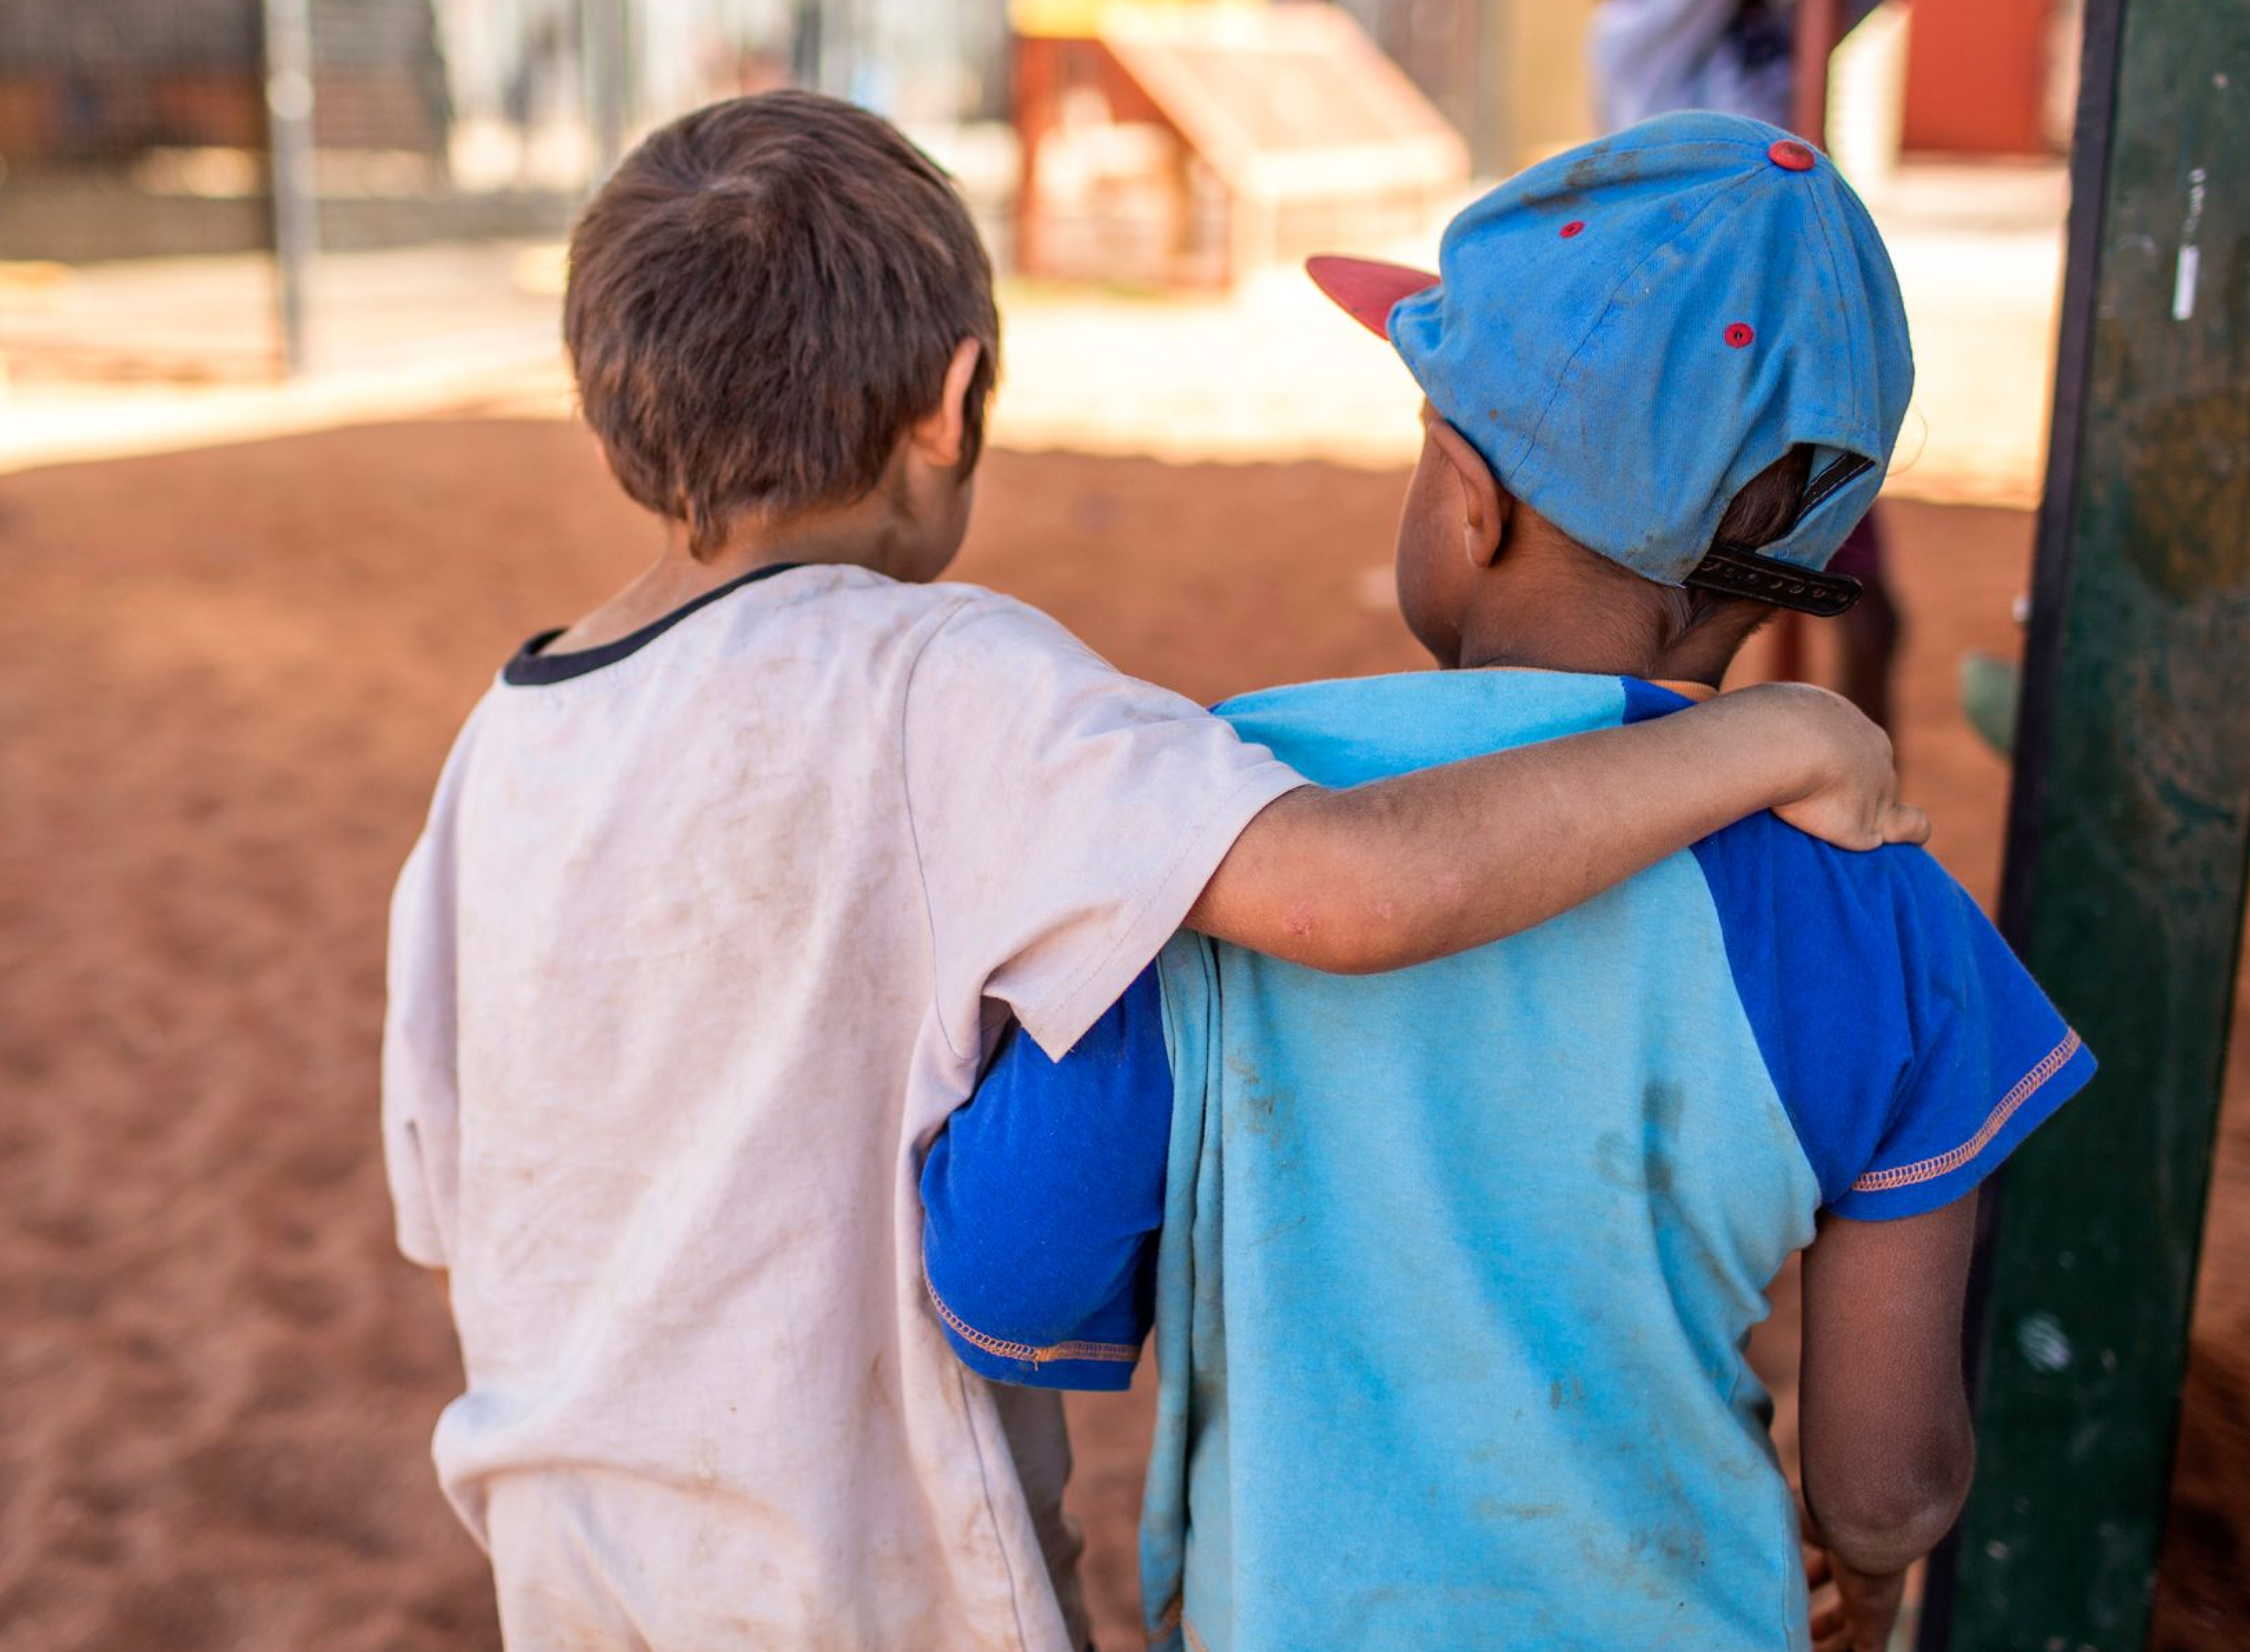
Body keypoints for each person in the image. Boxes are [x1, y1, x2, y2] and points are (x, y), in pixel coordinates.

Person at [378, 93, 1926, 1652]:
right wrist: (1771, 743)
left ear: (609, 413)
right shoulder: (944, 676)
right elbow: (1346, 898)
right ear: (954, 400)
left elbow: (451, 1199)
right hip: (859, 1574)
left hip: (563, 1556)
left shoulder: (492, 754)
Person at [921, 113, 2096, 1652]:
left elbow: (1006, 1265)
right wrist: (1867, 1573)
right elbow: (1887, 1481)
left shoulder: (1218, 842)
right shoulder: (1869, 887)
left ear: (1468, 506)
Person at [1594, 0, 1904, 731]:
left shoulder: (1785, 29)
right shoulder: (1641, 32)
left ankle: (1858, 809)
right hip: (1692, 353)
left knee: (1866, 616)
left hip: (1792, 356)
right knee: (1675, 625)